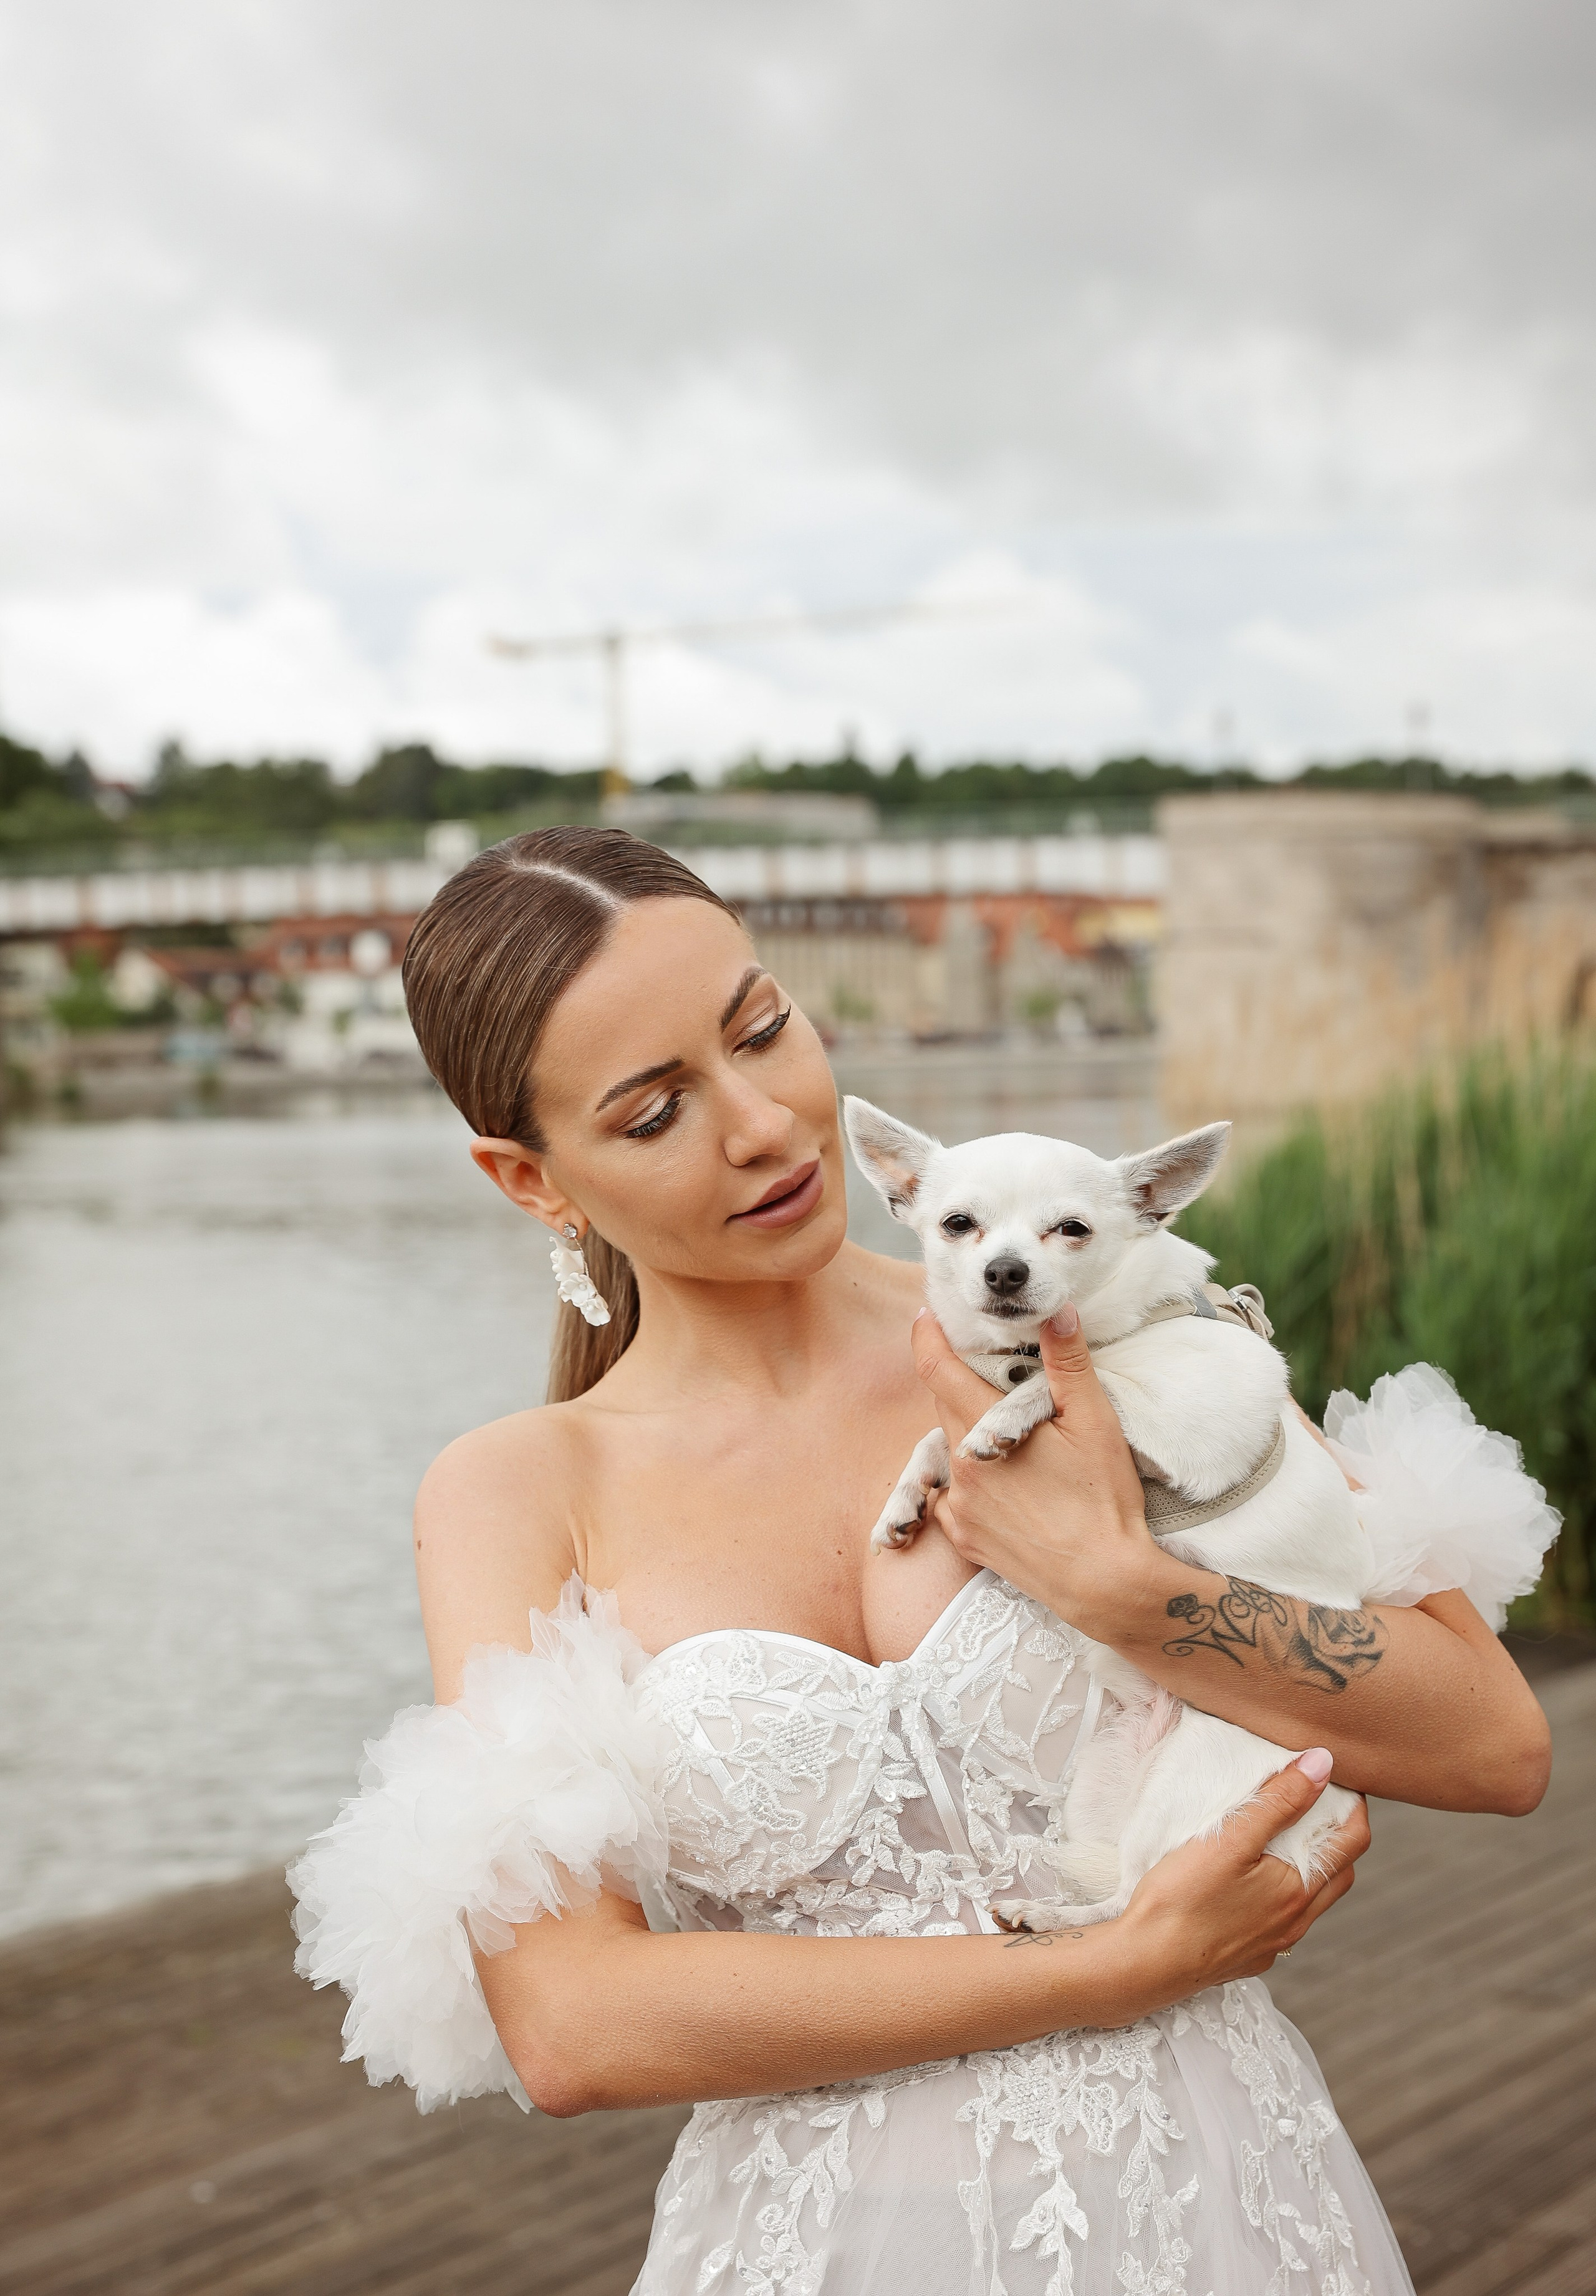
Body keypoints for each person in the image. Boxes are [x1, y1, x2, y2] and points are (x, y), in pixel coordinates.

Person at [291, 826, 1552, 2296]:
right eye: (653, 1114)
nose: (765, 1123)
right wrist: (1101, 1971)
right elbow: (569, 2025)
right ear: (530, 1180)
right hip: (820, 2252)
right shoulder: (518, 1492)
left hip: (1222, 2208)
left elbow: (1491, 1743)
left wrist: (1122, 1590)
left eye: (764, 1028)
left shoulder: (1103, 1331)